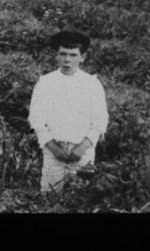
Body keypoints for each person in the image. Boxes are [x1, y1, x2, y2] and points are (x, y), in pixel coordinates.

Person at [28, 29, 109, 193]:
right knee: (49, 196)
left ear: (82, 57)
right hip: (53, 152)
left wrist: (83, 147)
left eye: (72, 55)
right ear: (56, 56)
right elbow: (36, 119)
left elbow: (100, 120)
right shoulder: (45, 83)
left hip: (83, 152)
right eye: (63, 54)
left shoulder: (92, 84)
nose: (67, 60)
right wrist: (53, 147)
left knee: (80, 196)